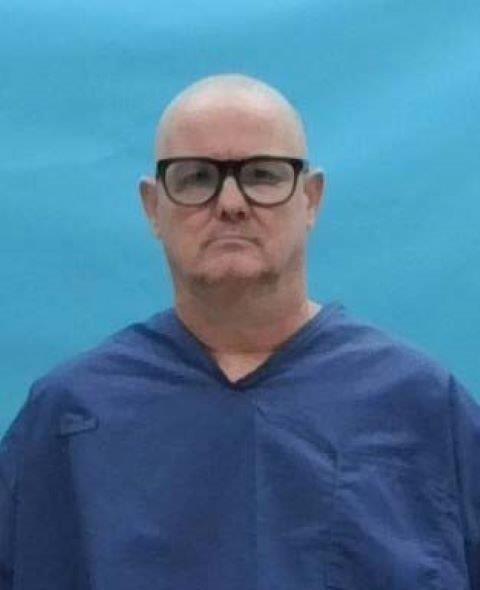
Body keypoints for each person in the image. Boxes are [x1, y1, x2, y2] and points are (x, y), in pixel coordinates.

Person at [0, 73, 478, 590]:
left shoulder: (418, 404)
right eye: (195, 178)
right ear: (153, 207)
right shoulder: (73, 418)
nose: (230, 202)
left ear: (311, 198)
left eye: (263, 175)